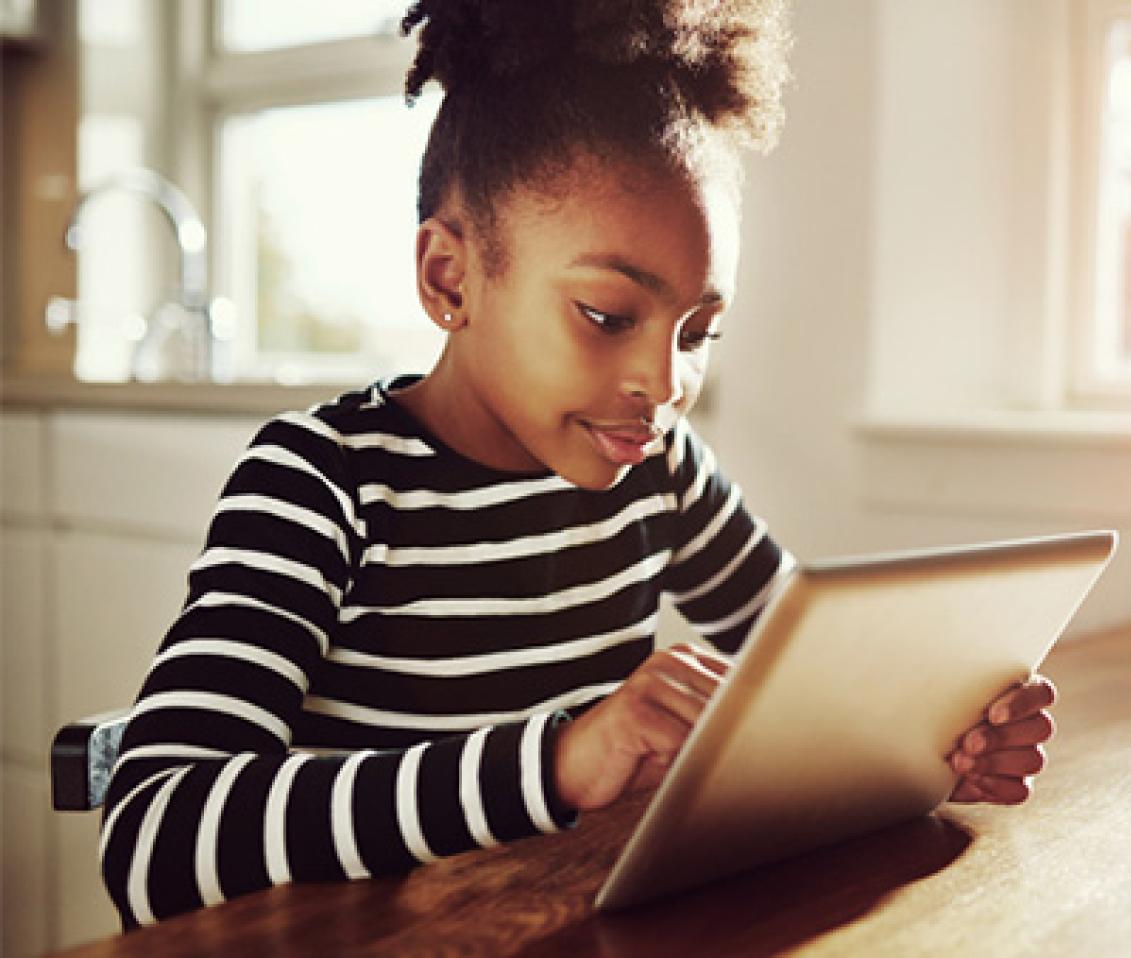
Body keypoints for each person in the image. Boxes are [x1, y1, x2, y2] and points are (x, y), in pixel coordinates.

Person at [99, 0, 1058, 929]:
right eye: (608, 315)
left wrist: (923, 739)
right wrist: (556, 765)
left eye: (700, 331)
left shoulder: (660, 470)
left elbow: (806, 677)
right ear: (450, 276)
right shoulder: (322, 483)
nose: (665, 381)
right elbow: (152, 839)